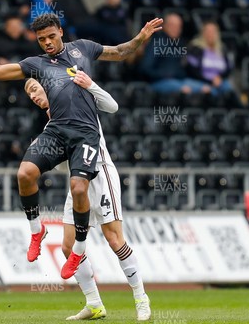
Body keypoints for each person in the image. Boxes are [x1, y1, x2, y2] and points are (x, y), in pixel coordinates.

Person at [0, 13, 163, 279]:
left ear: (60, 31)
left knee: (78, 187)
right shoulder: (36, 64)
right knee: (25, 174)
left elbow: (118, 52)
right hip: (58, 131)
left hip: (85, 134)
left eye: (51, 36)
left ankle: (80, 249)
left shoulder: (83, 47)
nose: (47, 42)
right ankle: (37, 231)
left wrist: (140, 37)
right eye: (41, 39)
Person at [25, 75, 151, 321]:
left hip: (101, 173)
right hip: (78, 183)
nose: (32, 95)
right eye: (28, 93)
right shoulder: (49, 128)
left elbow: (113, 106)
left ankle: (141, 298)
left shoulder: (77, 98)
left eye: (33, 88)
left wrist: (90, 84)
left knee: (115, 240)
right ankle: (94, 304)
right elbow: (64, 166)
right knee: (67, 247)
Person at [140, 13, 210, 95]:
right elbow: (145, 68)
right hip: (159, 82)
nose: (176, 29)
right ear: (165, 26)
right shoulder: (157, 43)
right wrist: (164, 75)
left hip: (180, 81)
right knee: (184, 89)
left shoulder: (180, 44)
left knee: (206, 88)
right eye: (172, 25)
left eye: (178, 26)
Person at [186, 21, 241, 105]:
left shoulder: (222, 49)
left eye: (213, 31)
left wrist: (220, 78)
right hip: (200, 81)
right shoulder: (195, 48)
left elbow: (228, 68)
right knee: (209, 92)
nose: (210, 34)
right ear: (203, 33)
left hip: (220, 81)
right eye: (208, 31)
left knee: (230, 90)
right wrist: (210, 80)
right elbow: (191, 69)